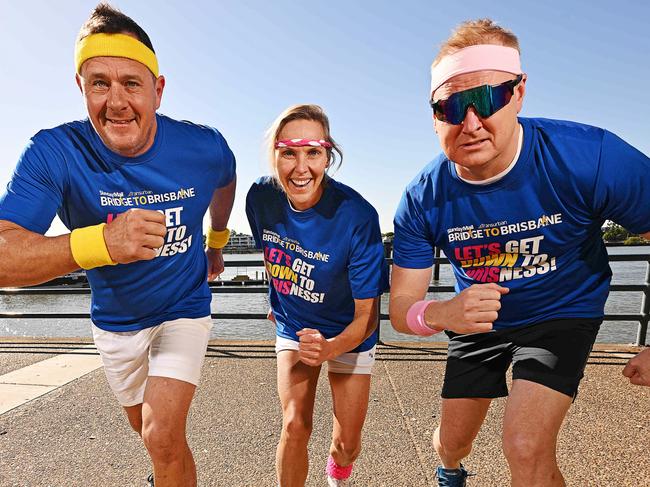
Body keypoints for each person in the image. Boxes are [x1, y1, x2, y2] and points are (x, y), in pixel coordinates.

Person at [388, 18, 650, 487]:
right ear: (433, 116)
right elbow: (403, 308)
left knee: (525, 447)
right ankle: (449, 471)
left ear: (519, 92)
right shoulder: (422, 197)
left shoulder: (590, 157)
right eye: (451, 107)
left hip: (562, 312)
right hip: (475, 323)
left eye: (486, 99)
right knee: (450, 442)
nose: (470, 123)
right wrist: (445, 312)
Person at [0, 4, 236, 487]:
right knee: (148, 433)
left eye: (132, 83)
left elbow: (225, 181)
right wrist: (102, 242)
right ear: (81, 89)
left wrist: (216, 241)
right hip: (116, 323)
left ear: (158, 89)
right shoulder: (54, 152)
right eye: (99, 83)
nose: (117, 101)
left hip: (184, 307)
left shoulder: (204, 146)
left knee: (162, 434)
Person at [245, 104, 387, 487]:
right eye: (289, 152)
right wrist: (276, 298)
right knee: (294, 424)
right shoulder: (260, 196)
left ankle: (337, 473)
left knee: (348, 444)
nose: (301, 167)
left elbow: (368, 317)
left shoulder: (357, 217)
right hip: (296, 327)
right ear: (275, 153)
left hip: (349, 332)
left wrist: (331, 348)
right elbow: (274, 253)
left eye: (313, 152)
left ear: (328, 155)